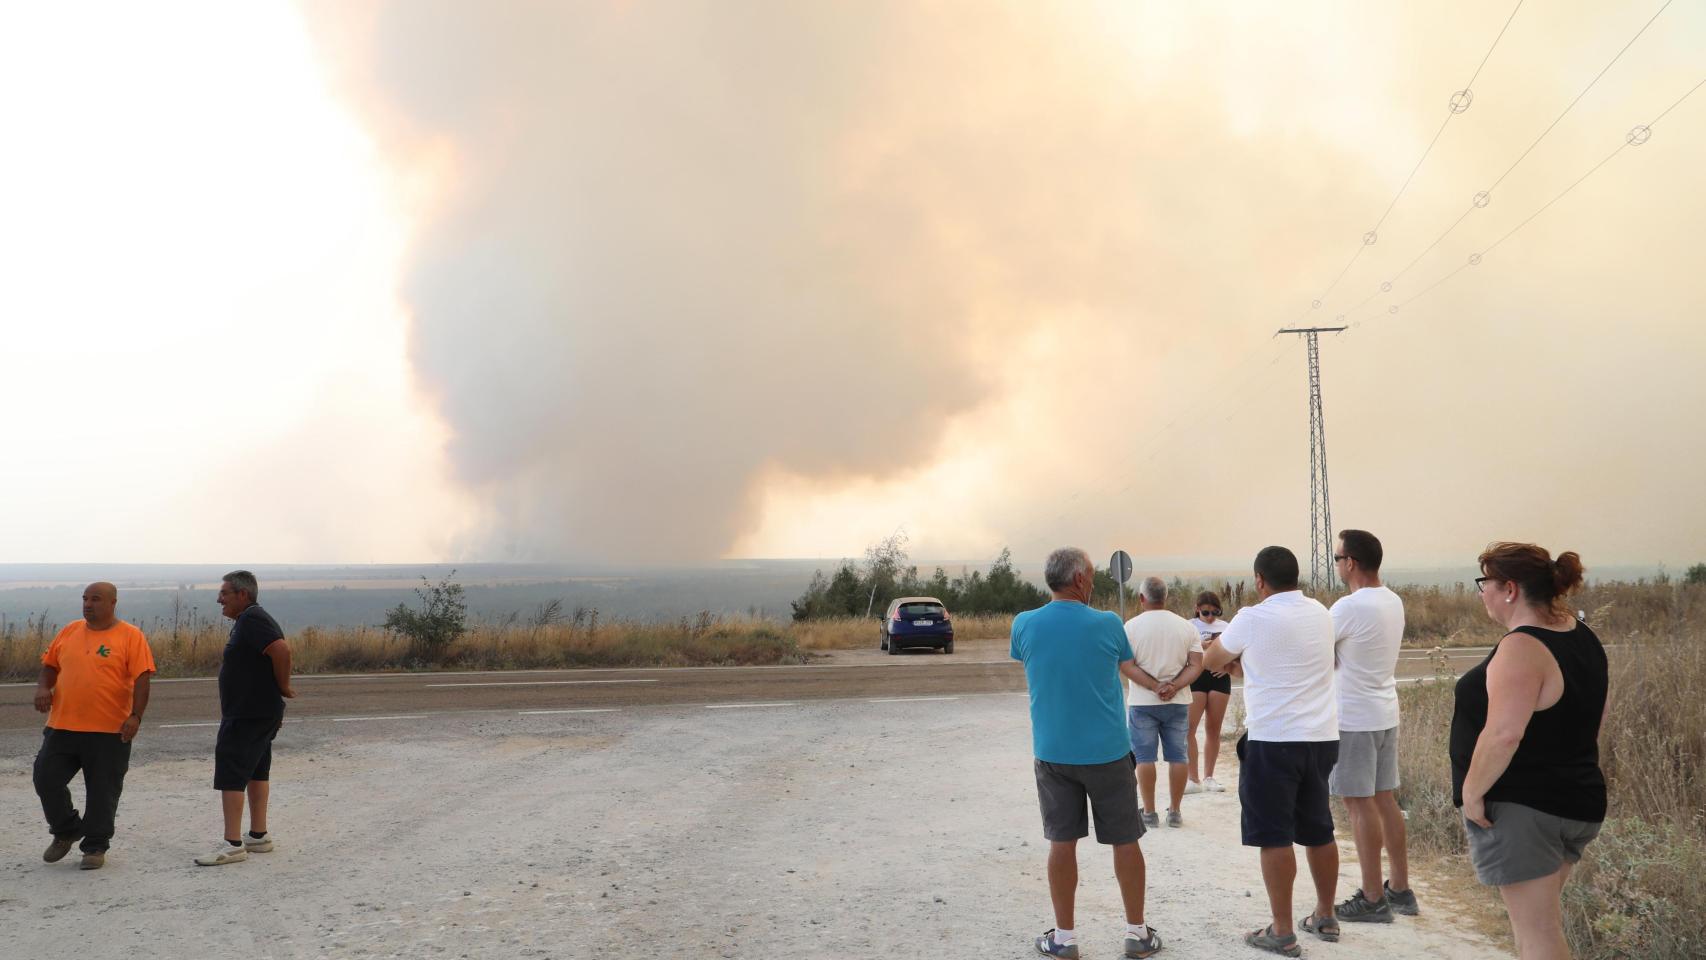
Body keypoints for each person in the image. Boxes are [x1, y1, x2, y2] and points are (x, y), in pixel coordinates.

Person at [1452, 543, 1606, 960]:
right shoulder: (1581, 635)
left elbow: (1504, 734)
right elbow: (1597, 715)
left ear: (1510, 589)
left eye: (1485, 583)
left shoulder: (1521, 647)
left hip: (1528, 809)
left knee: (1538, 934)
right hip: (1576, 799)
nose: (1481, 593)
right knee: (1534, 928)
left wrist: (1471, 792)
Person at [1011, 547, 1163, 959]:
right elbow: (1123, 664)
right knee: (1126, 840)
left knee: (1061, 842)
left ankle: (1065, 938)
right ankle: (1137, 934)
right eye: (1092, 575)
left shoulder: (1024, 624)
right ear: (1079, 579)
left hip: (1053, 752)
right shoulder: (1109, 623)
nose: (1094, 581)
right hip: (1108, 752)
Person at [1203, 546, 1339, 956]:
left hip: (1273, 739)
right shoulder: (1321, 613)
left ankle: (1282, 930)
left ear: (1259, 580)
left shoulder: (1252, 617)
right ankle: (1326, 915)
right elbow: (1292, 662)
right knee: (1319, 829)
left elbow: (1211, 659)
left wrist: (1229, 659)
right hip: (1321, 736)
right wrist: (1245, 665)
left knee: (1274, 835)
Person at [32, 582, 157, 871]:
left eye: (96, 599)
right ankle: (66, 829)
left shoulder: (130, 636)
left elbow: (142, 679)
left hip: (109, 730)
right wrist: (43, 688)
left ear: (113, 603)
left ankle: (95, 846)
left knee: (103, 791)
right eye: (85, 598)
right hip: (62, 726)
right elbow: (50, 666)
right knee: (45, 778)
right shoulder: (70, 631)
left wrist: (136, 716)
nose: (88, 604)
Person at [1328, 529, 1419, 922]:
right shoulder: (1392, 600)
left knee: (1357, 802)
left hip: (1353, 717)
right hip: (1384, 711)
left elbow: (1318, 653)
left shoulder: (1348, 607)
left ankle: (1371, 897)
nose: (1337, 564)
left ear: (1351, 562)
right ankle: (1399, 888)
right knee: (1384, 800)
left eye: (1337, 558)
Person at [195, 570, 296, 866]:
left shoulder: (252, 619)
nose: (219, 599)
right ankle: (258, 835)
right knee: (256, 770)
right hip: (257, 711)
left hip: (248, 713)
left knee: (232, 772)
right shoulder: (248, 620)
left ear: (243, 594)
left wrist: (283, 687)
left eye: (224, 593)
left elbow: (281, 649)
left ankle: (232, 844)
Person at [1122, 576, 1203, 828]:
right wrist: (1174, 686)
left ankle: (1149, 812)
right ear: (1165, 597)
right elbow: (1196, 665)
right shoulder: (1186, 627)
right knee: (1178, 756)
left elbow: (1126, 665)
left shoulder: (1130, 627)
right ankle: (1175, 812)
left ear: (1141, 598)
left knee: (1144, 757)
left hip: (1143, 702)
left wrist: (1154, 686)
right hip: (1178, 701)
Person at [1185, 591, 1231, 794]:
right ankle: (1192, 778)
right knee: (1189, 729)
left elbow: (1237, 652)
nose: (1211, 617)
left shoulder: (1226, 626)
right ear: (1197, 609)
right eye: (1205, 612)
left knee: (1213, 729)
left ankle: (1209, 777)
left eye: (1215, 612)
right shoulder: (1188, 626)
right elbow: (1181, 653)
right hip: (1196, 677)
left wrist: (1227, 668)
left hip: (1219, 678)